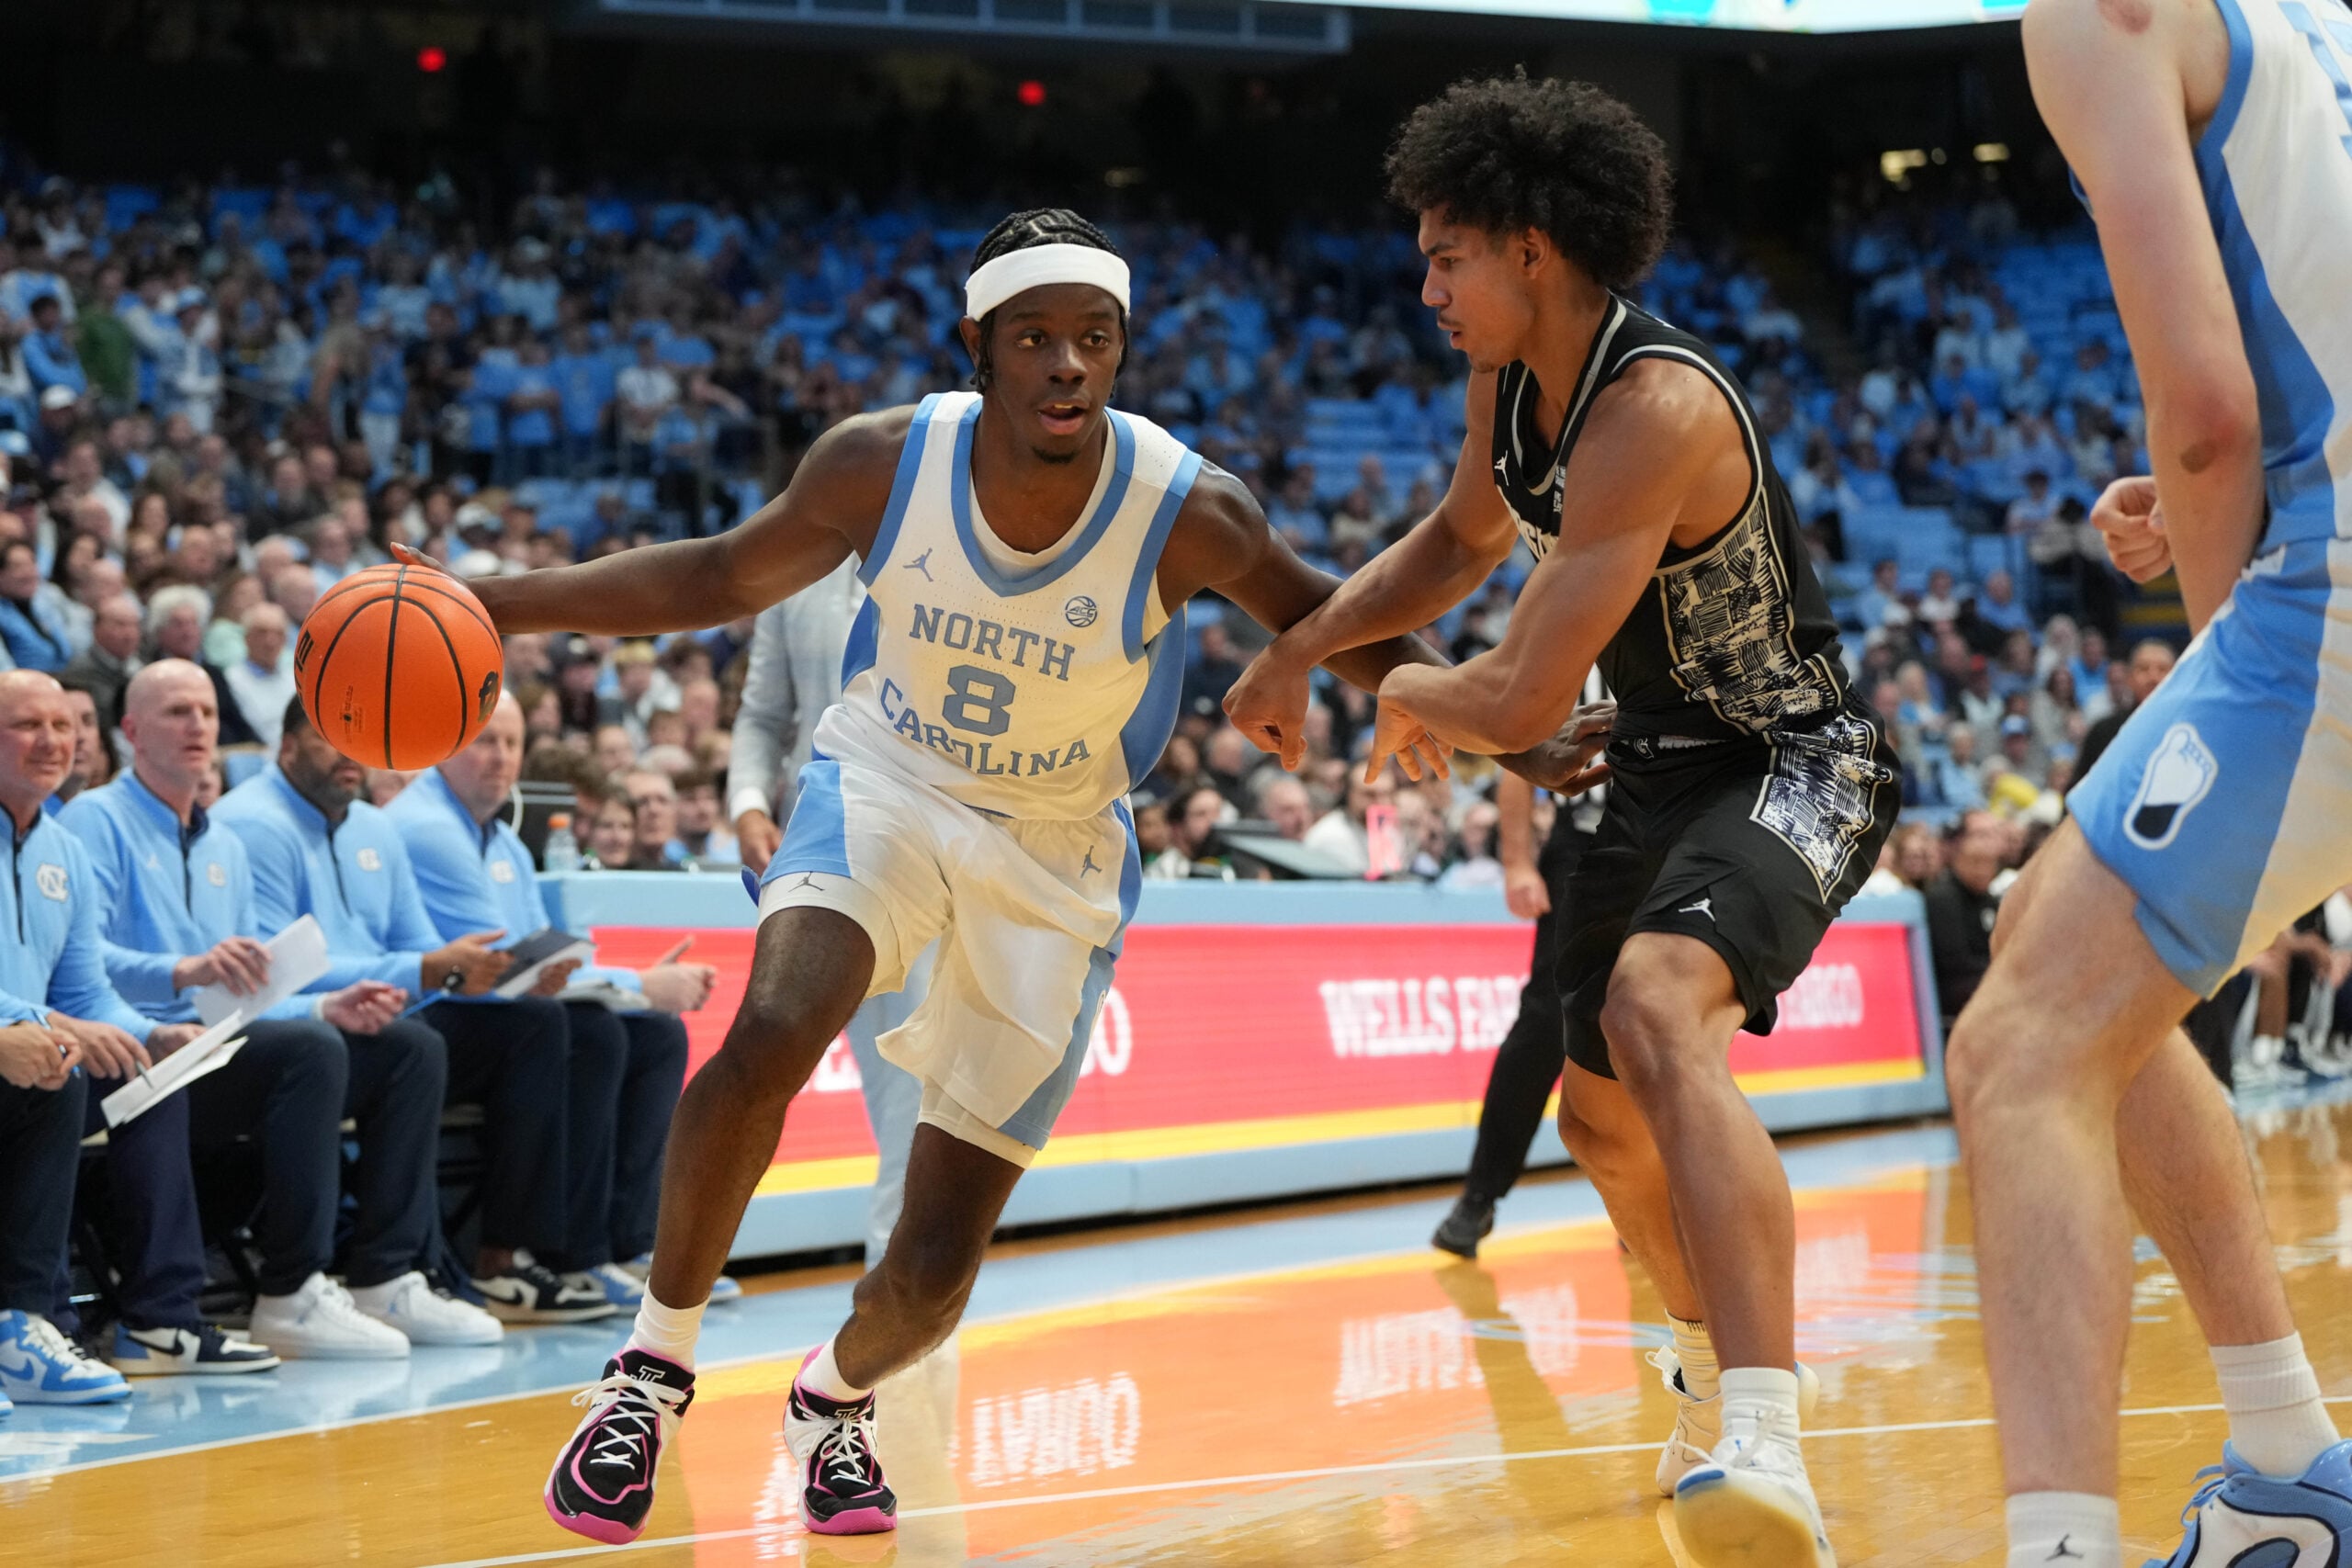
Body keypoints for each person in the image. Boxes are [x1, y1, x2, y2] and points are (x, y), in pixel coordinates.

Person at [438, 208, 1600, 1545]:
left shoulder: (1188, 507)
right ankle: (650, 1368)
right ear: (977, 346)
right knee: (773, 1022)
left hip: (1057, 846)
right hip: (887, 776)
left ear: (1119, 354)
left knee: (931, 1274)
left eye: (1093, 340)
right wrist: (493, 602)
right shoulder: (883, 459)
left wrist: (1511, 722)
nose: (1066, 365)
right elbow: (713, 572)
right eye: (1036, 339)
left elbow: (1329, 620)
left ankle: (832, 1399)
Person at [1225, 78, 1896, 1562]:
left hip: (1792, 755)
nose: (1426, 286)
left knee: (1662, 1014)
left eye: (1448, 254)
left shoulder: (1653, 406)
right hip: (1648, 761)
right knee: (1597, 1117)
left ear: (1535, 247)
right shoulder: (1506, 382)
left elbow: (1520, 697)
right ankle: (1702, 1369)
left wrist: (1412, 697)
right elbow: (1459, 541)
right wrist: (1306, 644)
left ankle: (1768, 1433)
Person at [1948, 4, 2352, 1565]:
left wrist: (2223, 631)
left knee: (2022, 1053)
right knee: (2077, 986)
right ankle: (2287, 1460)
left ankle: (2058, 1547)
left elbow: (2208, 411)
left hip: (2327, 604)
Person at [62, 661, 498, 1359]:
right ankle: (291, 1288)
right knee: (309, 1051)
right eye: (177, 711)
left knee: (406, 1046)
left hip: (209, 1046)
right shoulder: (94, 819)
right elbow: (81, 963)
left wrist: (325, 1002)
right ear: (131, 731)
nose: (199, 725)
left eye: (206, 710)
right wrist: (180, 972)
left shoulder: (221, 843)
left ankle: (384, 1274)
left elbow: (244, 992)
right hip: (134, 1045)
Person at [213, 698, 613, 1325]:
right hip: (285, 1023)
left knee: (531, 1031)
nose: (350, 754)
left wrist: (459, 972)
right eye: (330, 738)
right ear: (285, 745)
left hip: (379, 1011)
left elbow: (425, 948)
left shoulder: (373, 826)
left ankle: (405, 1273)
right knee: (418, 1045)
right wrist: (426, 971)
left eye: (361, 740)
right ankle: (367, 1273)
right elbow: (273, 970)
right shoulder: (255, 824)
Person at [388, 694, 718, 1309]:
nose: (501, 757)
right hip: (420, 1012)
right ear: (446, 747)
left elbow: (553, 963)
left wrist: (635, 991)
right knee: (562, 1027)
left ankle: (621, 1245)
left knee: (652, 1032)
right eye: (487, 741)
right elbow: (510, 967)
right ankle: (508, 1255)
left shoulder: (505, 843)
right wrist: (640, 982)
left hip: (491, 1009)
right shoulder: (429, 826)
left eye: (512, 743)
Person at [0, 671, 216, 1402]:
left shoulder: (62, 849)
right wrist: (30, 1023)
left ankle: (161, 1315)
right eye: (29, 726)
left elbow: (85, 990)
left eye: (63, 727)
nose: (53, 742)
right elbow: (50, 1010)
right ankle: (35, 1316)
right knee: (56, 1073)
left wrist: (151, 1035)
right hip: (13, 1051)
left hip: (25, 1056)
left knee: (147, 1080)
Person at [732, 560, 933, 1267]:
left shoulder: (959, 555)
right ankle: (699, 1262)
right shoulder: (796, 573)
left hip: (920, 855)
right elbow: (762, 713)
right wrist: (749, 800)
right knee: (764, 1058)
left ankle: (894, 1278)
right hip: (812, 848)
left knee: (911, 1087)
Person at [1432, 679, 1611, 1257]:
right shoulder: (1581, 638)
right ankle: (1480, 1195)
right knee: (1544, 1021)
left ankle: (1657, 1196)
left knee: (1655, 1025)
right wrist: (1516, 862)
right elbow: (1520, 751)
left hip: (1669, 844)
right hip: (1581, 847)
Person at [2071, 635, 2176, 785]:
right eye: (2143, 669)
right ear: (2130, 679)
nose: (2153, 677)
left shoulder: (2194, 731)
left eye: (2163, 669)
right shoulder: (2103, 733)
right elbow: (2078, 794)